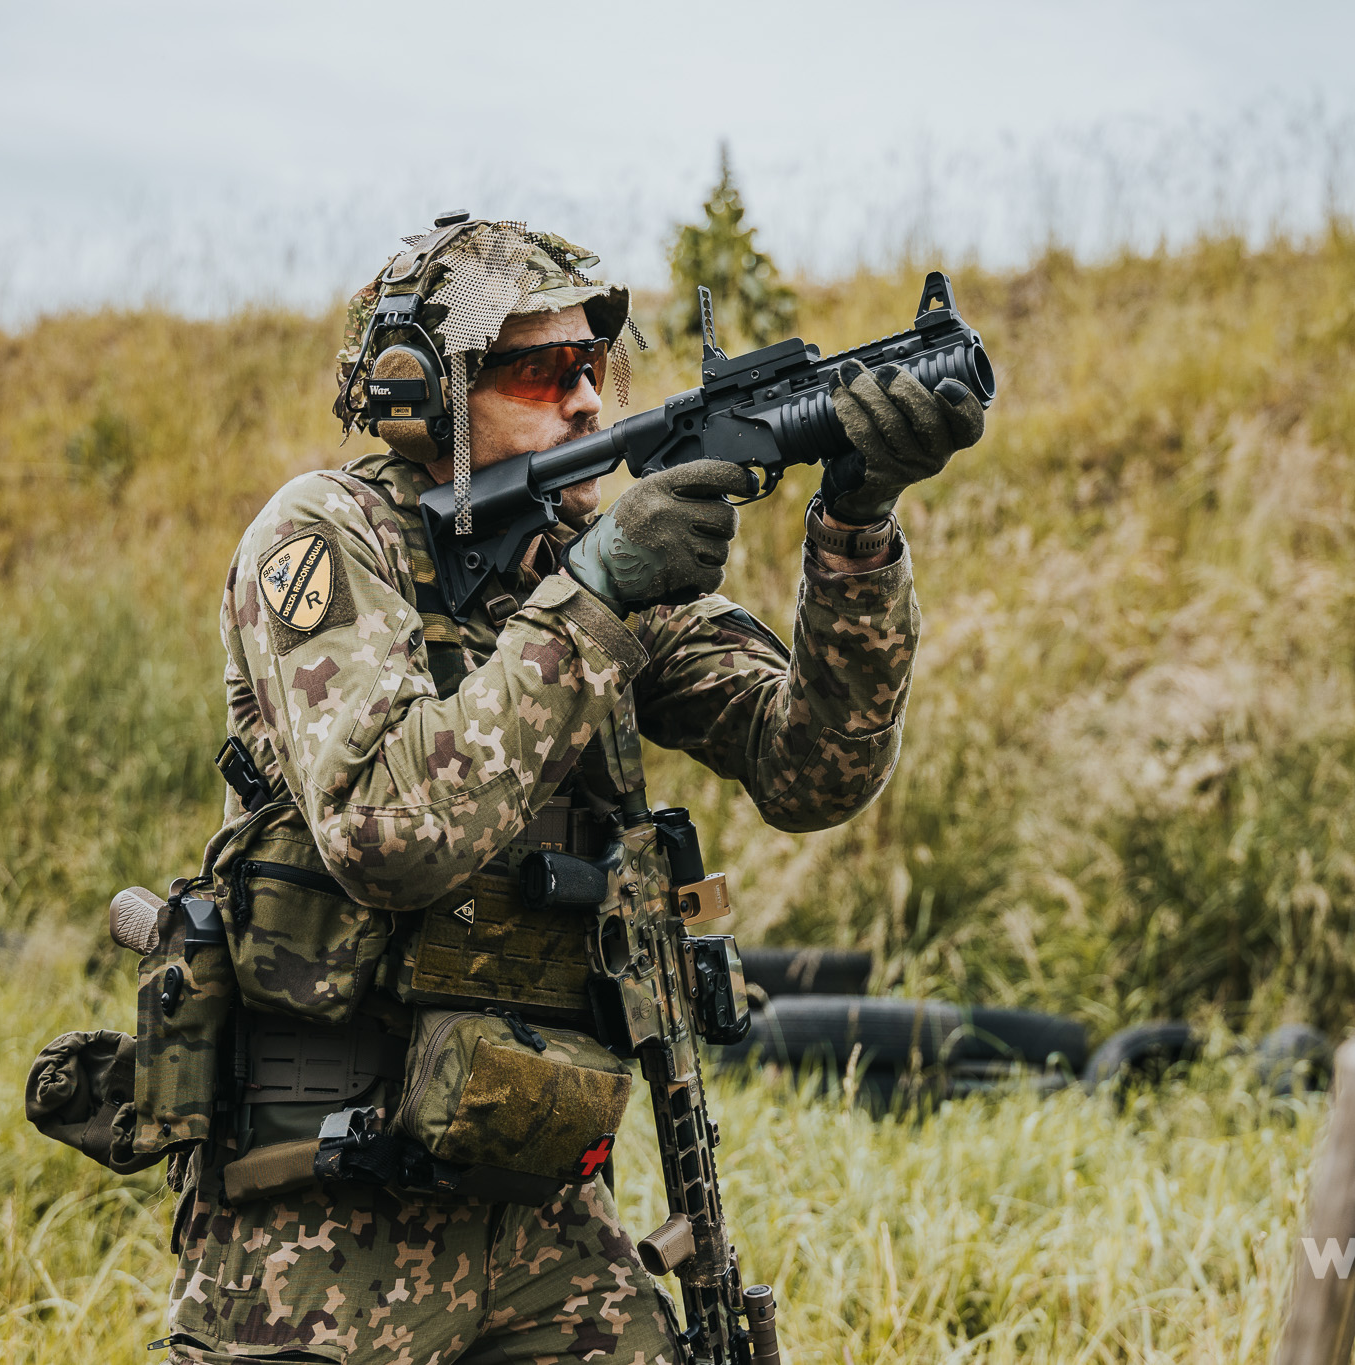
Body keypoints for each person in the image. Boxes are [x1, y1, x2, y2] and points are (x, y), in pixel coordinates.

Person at [160, 216, 985, 1363]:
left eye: (594, 368)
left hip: (537, 1191)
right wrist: (594, 599)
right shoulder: (326, 538)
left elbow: (810, 767)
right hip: (323, 1203)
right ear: (423, 395)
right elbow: (386, 833)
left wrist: (855, 528)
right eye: (545, 372)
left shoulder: (578, 554)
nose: (589, 403)